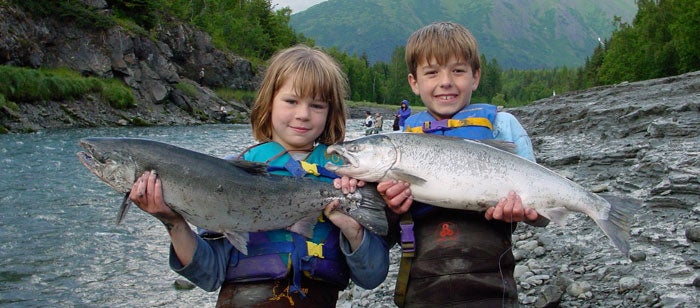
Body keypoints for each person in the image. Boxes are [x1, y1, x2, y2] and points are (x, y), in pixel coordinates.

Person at [129, 45, 390, 307]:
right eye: (291, 101)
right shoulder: (227, 176)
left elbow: (372, 276)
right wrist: (173, 222)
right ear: (269, 102)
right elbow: (208, 274)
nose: (303, 114)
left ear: (330, 112)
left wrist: (352, 228)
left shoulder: (348, 175)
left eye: (317, 105)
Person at [376, 22, 549, 307]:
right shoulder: (401, 144)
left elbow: (541, 210)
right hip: (422, 286)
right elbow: (386, 232)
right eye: (432, 72)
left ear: (475, 76)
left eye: (457, 71)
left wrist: (528, 213)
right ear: (414, 82)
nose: (446, 81)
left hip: (493, 287)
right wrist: (391, 208)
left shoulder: (502, 125)